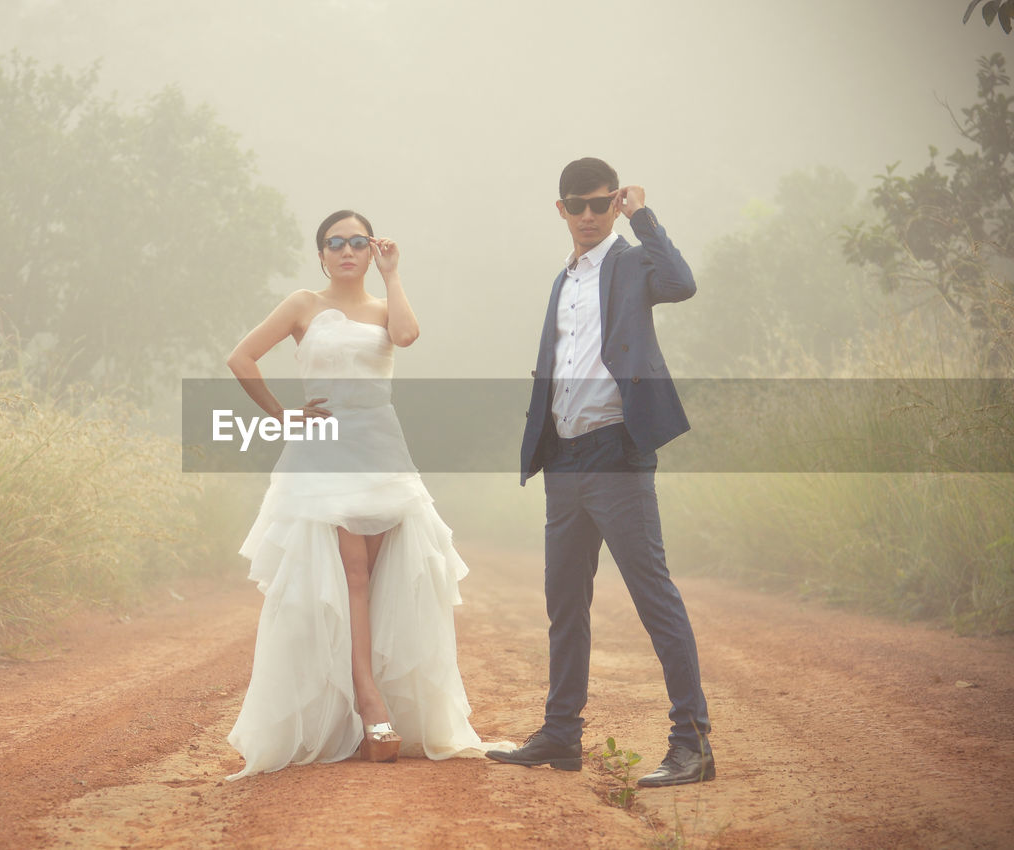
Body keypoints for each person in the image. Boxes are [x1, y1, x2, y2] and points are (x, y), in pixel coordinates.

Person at [223, 210, 490, 780]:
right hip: (323, 444)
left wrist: (393, 276)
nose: (347, 251)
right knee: (352, 575)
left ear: (371, 250)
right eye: (335, 243)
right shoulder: (301, 304)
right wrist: (281, 416)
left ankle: (372, 699)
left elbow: (407, 336)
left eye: (358, 242)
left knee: (386, 573)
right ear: (320, 253)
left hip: (380, 447)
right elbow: (240, 358)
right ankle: (369, 704)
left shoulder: (383, 305)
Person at [486, 158, 714, 787]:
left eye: (599, 203)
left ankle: (692, 745)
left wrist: (643, 214)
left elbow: (682, 282)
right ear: (560, 210)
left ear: (613, 204)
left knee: (654, 599)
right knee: (565, 602)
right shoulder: (563, 278)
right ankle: (561, 735)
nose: (588, 215)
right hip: (564, 459)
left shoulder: (633, 261)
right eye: (576, 205)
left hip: (617, 453)